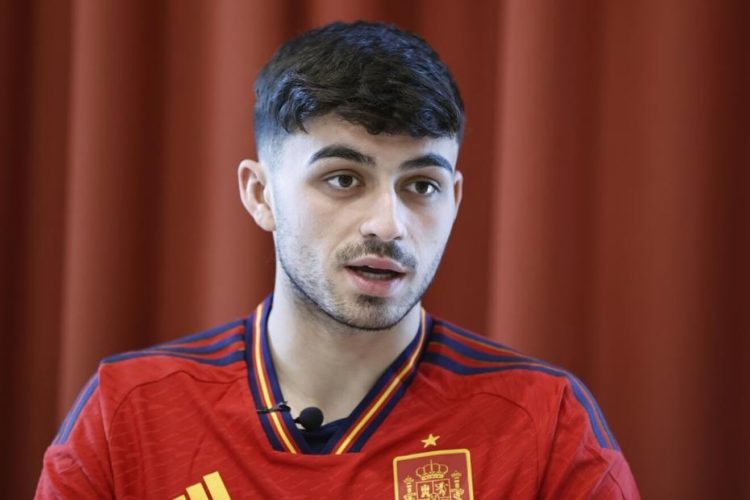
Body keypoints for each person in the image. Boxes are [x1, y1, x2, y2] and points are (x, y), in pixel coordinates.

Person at [36, 21, 640, 499]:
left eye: (421, 185)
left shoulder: (545, 422)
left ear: (455, 201)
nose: (389, 224)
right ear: (260, 194)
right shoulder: (127, 412)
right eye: (344, 178)